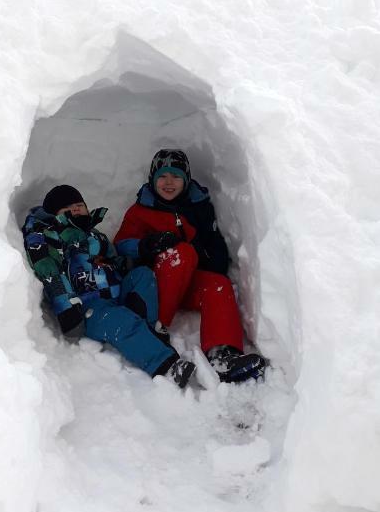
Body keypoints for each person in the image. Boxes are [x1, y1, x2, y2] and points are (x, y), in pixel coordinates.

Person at [114, 150, 266, 384]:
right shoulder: (141, 210)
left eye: (175, 176)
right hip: (157, 286)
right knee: (181, 254)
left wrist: (212, 260)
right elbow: (122, 244)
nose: (168, 182)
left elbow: (214, 242)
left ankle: (223, 354)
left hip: (187, 280)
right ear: (153, 179)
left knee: (218, 284)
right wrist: (146, 245)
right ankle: (157, 329)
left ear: (185, 180)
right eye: (163, 176)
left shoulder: (199, 207)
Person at [22, 184, 196, 388]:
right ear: (54, 214)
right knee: (118, 319)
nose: (76, 209)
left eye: (80, 204)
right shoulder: (51, 237)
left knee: (142, 275)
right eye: (68, 208)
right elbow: (52, 274)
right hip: (89, 307)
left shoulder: (96, 236)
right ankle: (165, 365)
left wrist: (137, 257)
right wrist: (67, 309)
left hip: (115, 294)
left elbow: (116, 261)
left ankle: (148, 333)